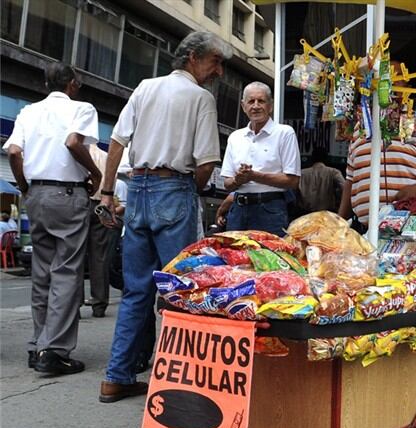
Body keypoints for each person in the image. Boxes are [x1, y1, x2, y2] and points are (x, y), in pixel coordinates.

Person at [96, 31, 231, 403]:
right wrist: (192, 188)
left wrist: (107, 193)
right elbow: (205, 165)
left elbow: (117, 141)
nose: (219, 70)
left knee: (137, 291)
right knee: (182, 289)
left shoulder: (145, 87)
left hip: (137, 190)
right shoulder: (201, 98)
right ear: (192, 58)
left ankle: (116, 376)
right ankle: (180, 381)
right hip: (174, 188)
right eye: (215, 61)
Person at [2, 62, 102, 375]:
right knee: (67, 273)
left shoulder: (28, 112)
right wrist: (96, 173)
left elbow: (15, 152)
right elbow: (73, 142)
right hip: (68, 194)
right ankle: (54, 351)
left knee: (42, 273)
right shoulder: (82, 108)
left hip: (37, 195)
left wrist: (23, 186)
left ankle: (37, 344)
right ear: (72, 84)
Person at [221, 81, 300, 236]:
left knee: (269, 258)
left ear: (270, 106)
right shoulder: (235, 137)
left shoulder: (284, 133)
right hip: (238, 209)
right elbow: (226, 184)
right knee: (236, 258)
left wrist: (254, 176)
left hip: (270, 209)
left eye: (261, 101)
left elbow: (293, 181)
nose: (256, 106)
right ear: (243, 106)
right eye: (251, 101)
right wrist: (239, 180)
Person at [339, 127, 416, 229]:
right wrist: (338, 223)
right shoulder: (360, 128)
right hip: (364, 232)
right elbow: (350, 181)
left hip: (408, 228)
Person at [84, 144, 115, 318]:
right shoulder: (106, 157)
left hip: (82, 202)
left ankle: (75, 303)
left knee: (76, 256)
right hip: (102, 205)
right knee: (99, 257)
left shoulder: (81, 154)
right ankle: (99, 304)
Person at [297, 145, 345, 214]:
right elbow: (344, 188)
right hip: (327, 214)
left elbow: (293, 192)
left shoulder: (302, 173)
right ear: (326, 158)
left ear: (312, 158)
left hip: (304, 214)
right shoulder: (334, 172)